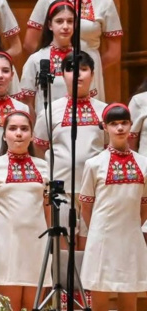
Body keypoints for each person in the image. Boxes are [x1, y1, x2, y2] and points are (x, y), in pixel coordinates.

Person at [80, 104, 147, 311]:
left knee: (129, 308)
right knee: (100, 309)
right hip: (102, 241)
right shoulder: (94, 164)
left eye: (124, 123)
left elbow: (144, 205)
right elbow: (86, 205)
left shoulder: (144, 162)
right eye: (114, 123)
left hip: (131, 240)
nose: (120, 128)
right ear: (105, 128)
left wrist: (130, 225)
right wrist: (99, 230)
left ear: (131, 126)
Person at [0, 111, 51, 311]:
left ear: (32, 135)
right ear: (4, 134)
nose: (18, 134)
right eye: (13, 128)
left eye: (24, 129)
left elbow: (47, 212)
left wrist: (48, 247)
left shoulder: (43, 167)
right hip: (6, 250)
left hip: (37, 250)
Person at [33, 53, 106, 248]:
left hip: (95, 192)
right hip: (62, 192)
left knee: (91, 247)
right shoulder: (50, 111)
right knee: (63, 250)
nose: (78, 75)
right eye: (71, 69)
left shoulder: (103, 111)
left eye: (83, 69)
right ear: (62, 74)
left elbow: (107, 148)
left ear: (92, 74)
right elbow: (40, 146)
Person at [24, 0, 122, 82]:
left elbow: (114, 52)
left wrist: (90, 67)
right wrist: (47, 65)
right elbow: (30, 42)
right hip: (54, 72)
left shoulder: (105, 3)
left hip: (88, 73)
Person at [21, 0, 97, 111]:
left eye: (70, 21)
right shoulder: (36, 60)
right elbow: (27, 103)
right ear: (50, 25)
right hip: (46, 124)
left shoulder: (83, 59)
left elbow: (91, 99)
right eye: (59, 21)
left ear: (75, 24)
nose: (65, 26)